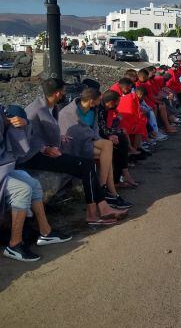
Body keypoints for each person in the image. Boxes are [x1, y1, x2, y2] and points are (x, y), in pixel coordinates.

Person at [17, 78, 127, 225]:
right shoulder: (35, 109)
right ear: (57, 93)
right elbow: (24, 137)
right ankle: (95, 213)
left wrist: (60, 137)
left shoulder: (51, 106)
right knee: (87, 166)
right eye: (63, 91)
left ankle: (101, 208)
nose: (65, 94)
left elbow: (43, 132)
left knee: (88, 165)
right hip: (34, 157)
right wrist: (44, 148)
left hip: (48, 151)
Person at [1, 104, 72, 262]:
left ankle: (45, 232)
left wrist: (23, 122)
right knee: (22, 189)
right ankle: (14, 245)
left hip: (4, 168)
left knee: (32, 183)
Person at [58, 87, 132, 210]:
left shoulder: (94, 110)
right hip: (75, 146)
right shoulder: (68, 112)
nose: (100, 102)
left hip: (89, 141)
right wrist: (95, 137)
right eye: (98, 100)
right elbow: (71, 133)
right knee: (107, 148)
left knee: (107, 148)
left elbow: (95, 130)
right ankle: (107, 191)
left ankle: (106, 191)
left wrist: (96, 137)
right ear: (91, 101)